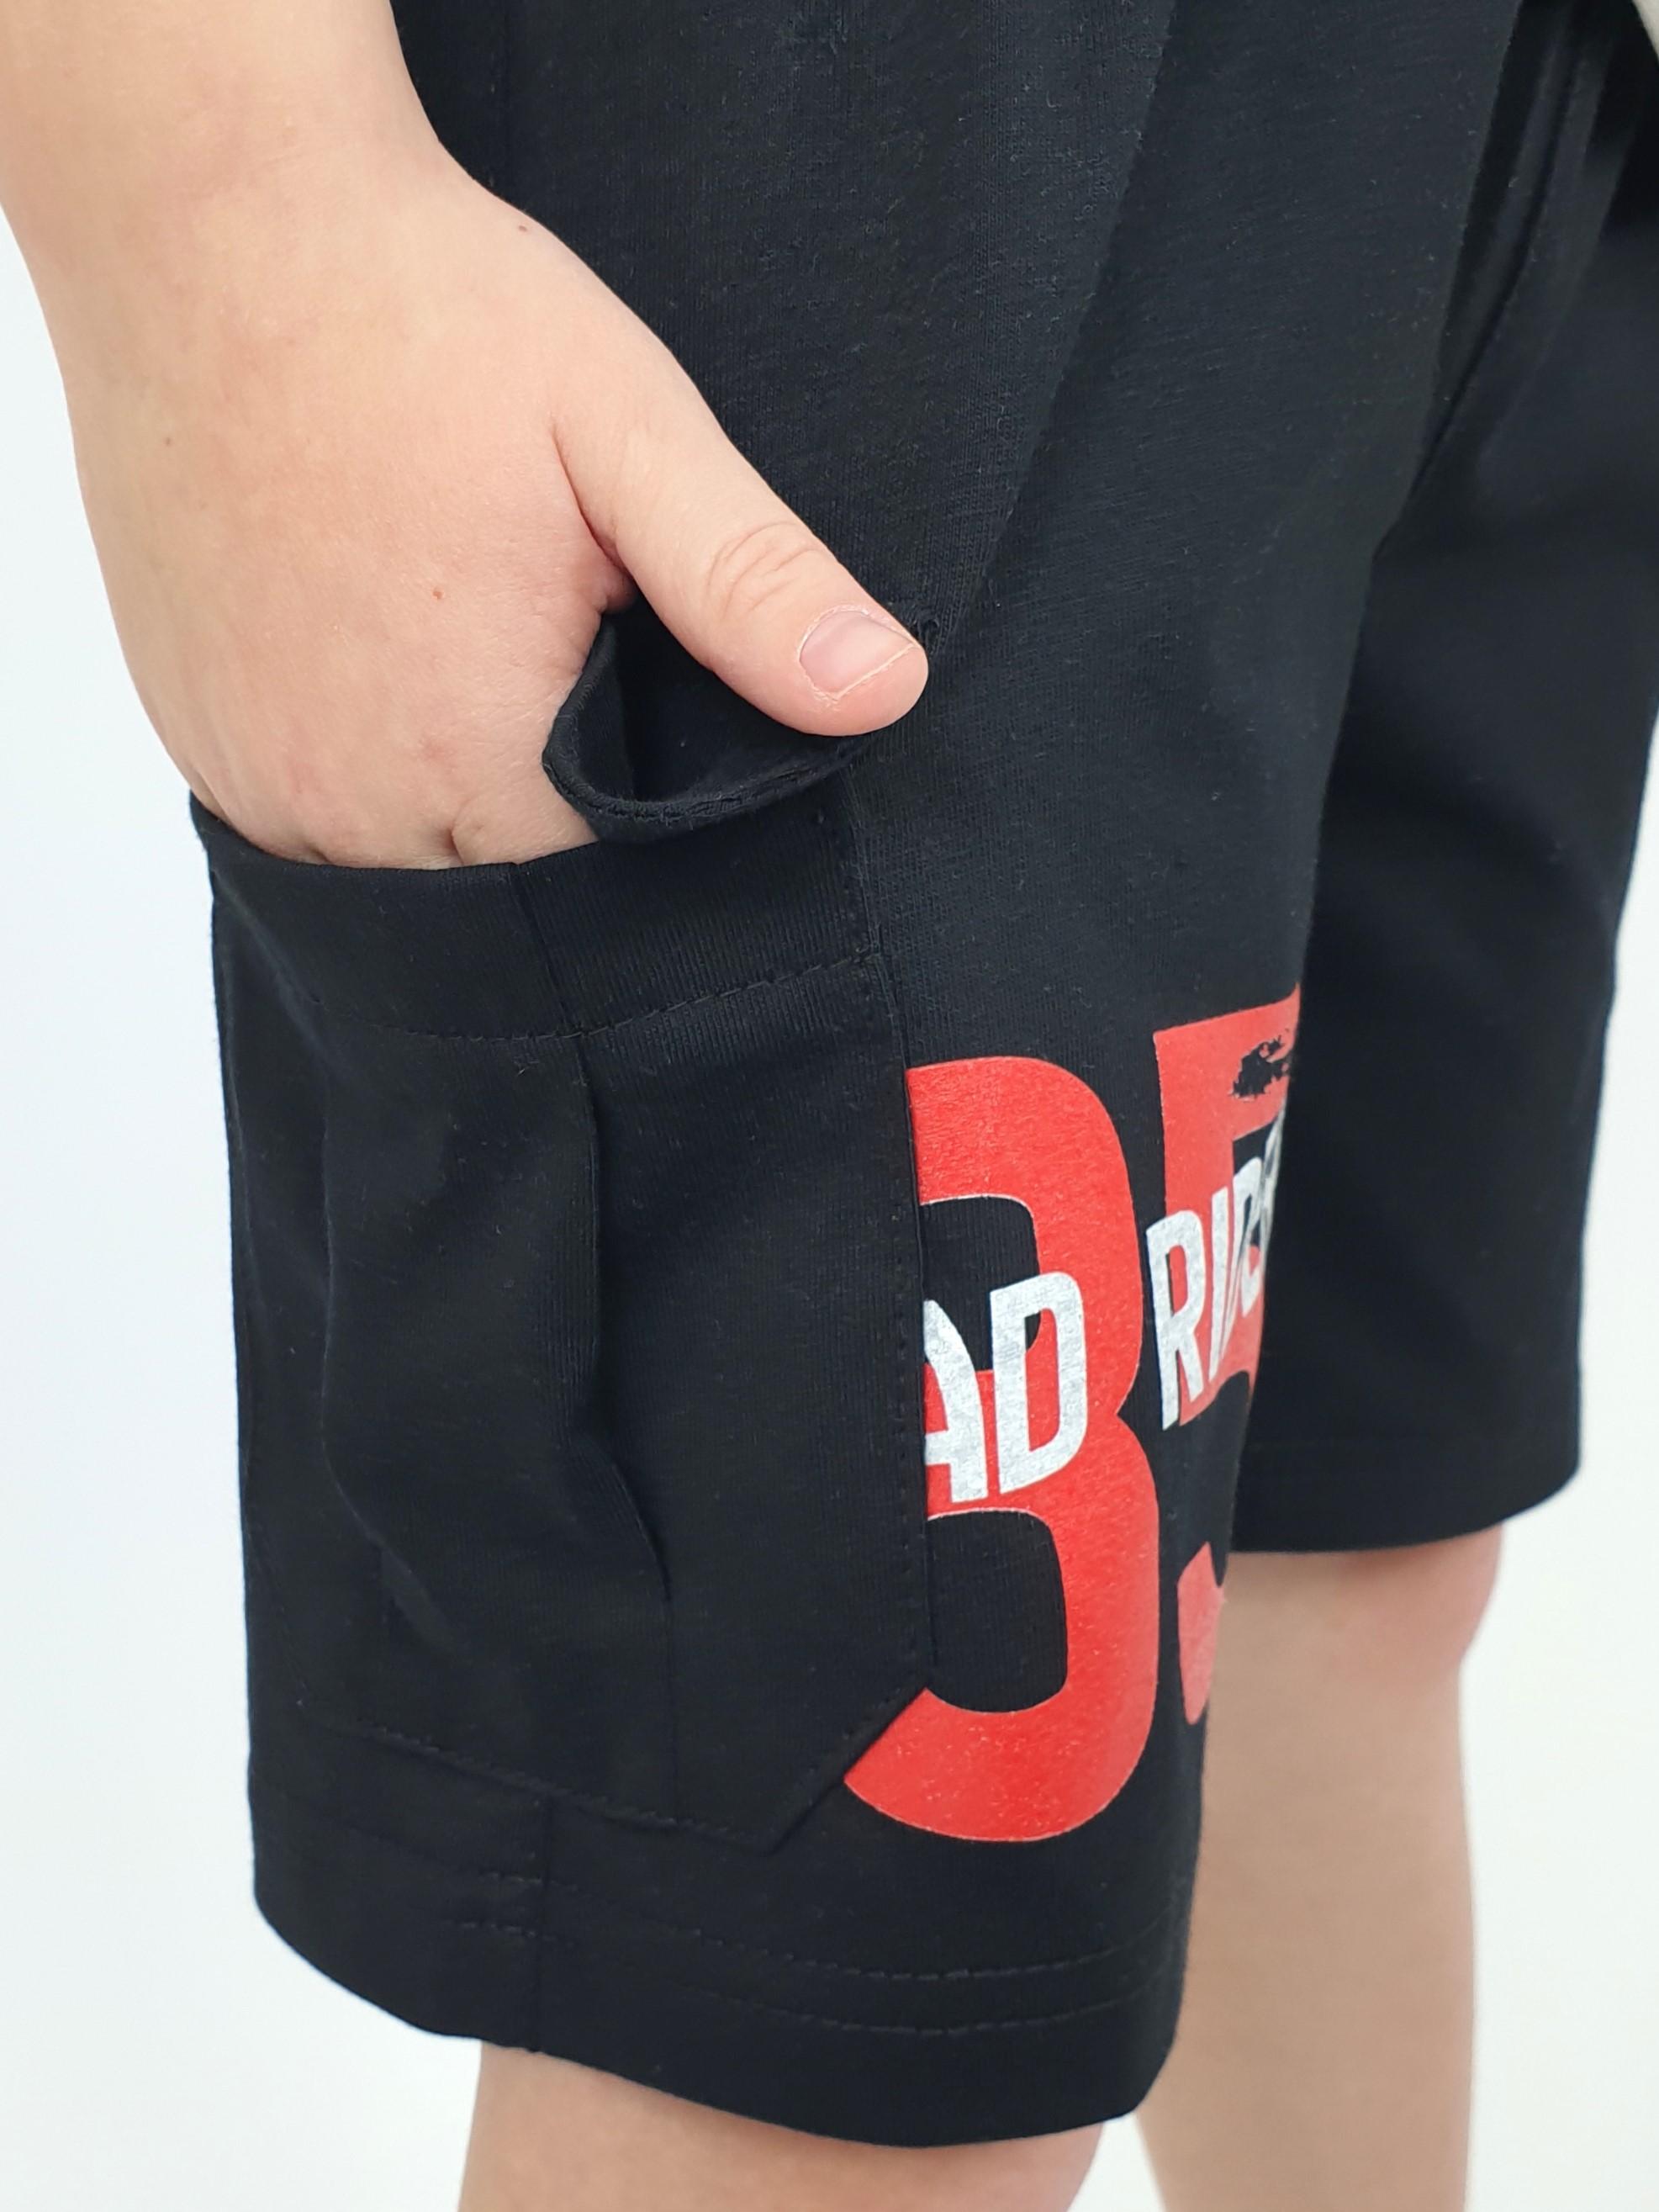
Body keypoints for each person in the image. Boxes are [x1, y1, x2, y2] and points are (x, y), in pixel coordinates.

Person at [3, 1, 1656, 2206]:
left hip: (1502, 106)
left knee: (1344, 1565)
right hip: (848, 124)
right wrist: (214, 191)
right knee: (873, 1919)